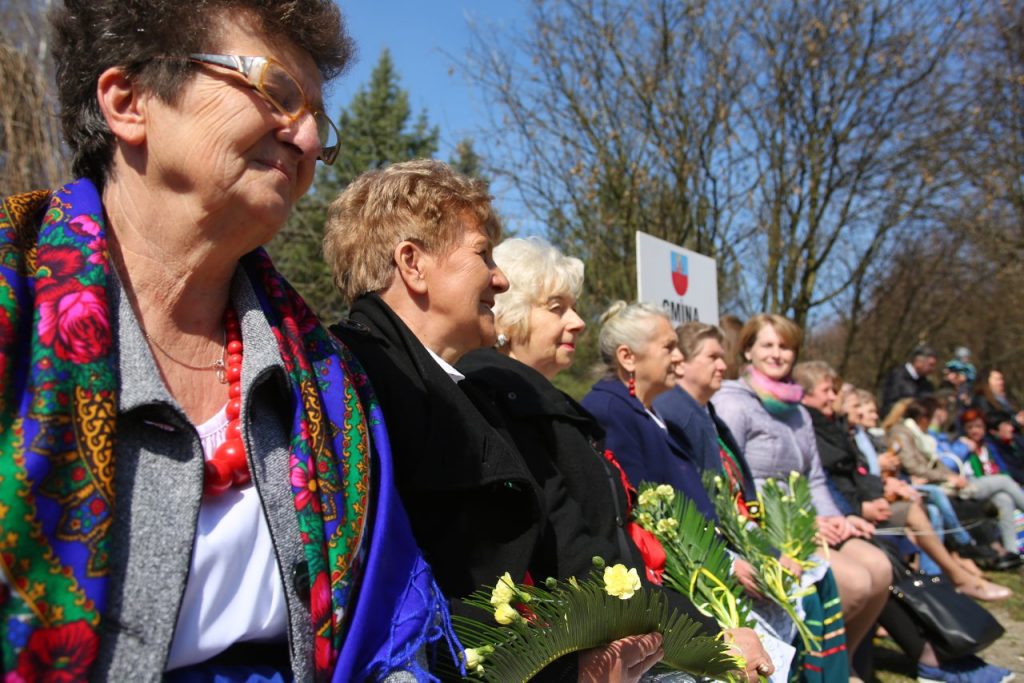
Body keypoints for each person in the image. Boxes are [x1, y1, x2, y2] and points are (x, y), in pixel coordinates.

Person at [0, 2, 455, 680]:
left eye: (317, 122)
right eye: (275, 90)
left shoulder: (330, 386)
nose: (305, 141)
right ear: (129, 102)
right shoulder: (16, 300)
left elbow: (388, 632)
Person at [324, 161, 669, 681]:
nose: (500, 278)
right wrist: (569, 675)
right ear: (413, 264)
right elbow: (401, 611)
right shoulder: (350, 387)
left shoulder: (467, 397)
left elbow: (566, 547)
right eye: (482, 254)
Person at [456, 238, 772, 683]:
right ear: (509, 313)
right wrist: (709, 636)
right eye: (556, 307)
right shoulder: (509, 406)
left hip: (616, 629)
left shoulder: (541, 404)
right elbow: (581, 554)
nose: (579, 321)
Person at [654, 322, 854, 683]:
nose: (722, 365)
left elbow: (736, 494)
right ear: (683, 363)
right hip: (714, 551)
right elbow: (698, 505)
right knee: (803, 598)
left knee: (821, 584)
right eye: (712, 357)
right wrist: (752, 558)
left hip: (743, 536)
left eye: (721, 356)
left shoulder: (704, 412)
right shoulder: (679, 411)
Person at [710, 314, 889, 677]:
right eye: (769, 345)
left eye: (786, 347)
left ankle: (843, 662)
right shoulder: (734, 402)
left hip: (809, 519)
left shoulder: (798, 410)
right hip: (767, 525)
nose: (778, 354)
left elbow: (815, 478)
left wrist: (834, 517)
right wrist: (803, 525)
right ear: (748, 351)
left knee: (881, 568)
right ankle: (809, 666)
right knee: (855, 583)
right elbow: (734, 480)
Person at [793, 362, 1010, 601]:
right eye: (830, 393)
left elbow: (855, 475)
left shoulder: (842, 431)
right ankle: (951, 571)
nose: (834, 398)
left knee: (935, 508)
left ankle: (941, 577)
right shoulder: (815, 428)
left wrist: (881, 490)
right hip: (846, 510)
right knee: (921, 509)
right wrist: (860, 506)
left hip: (859, 503)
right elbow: (832, 479)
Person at [886, 398, 1024, 565]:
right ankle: (965, 545)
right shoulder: (912, 435)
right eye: (971, 427)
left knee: (1004, 498)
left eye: (979, 427)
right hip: (949, 485)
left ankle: (1010, 553)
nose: (976, 431)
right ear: (924, 418)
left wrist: (950, 476)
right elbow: (921, 464)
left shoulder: (987, 445)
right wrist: (954, 468)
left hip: (953, 483)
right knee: (1004, 481)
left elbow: (937, 465)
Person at [881, 344, 938, 418]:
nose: (933, 369)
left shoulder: (927, 385)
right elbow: (889, 403)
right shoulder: (897, 376)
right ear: (918, 362)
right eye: (931, 365)